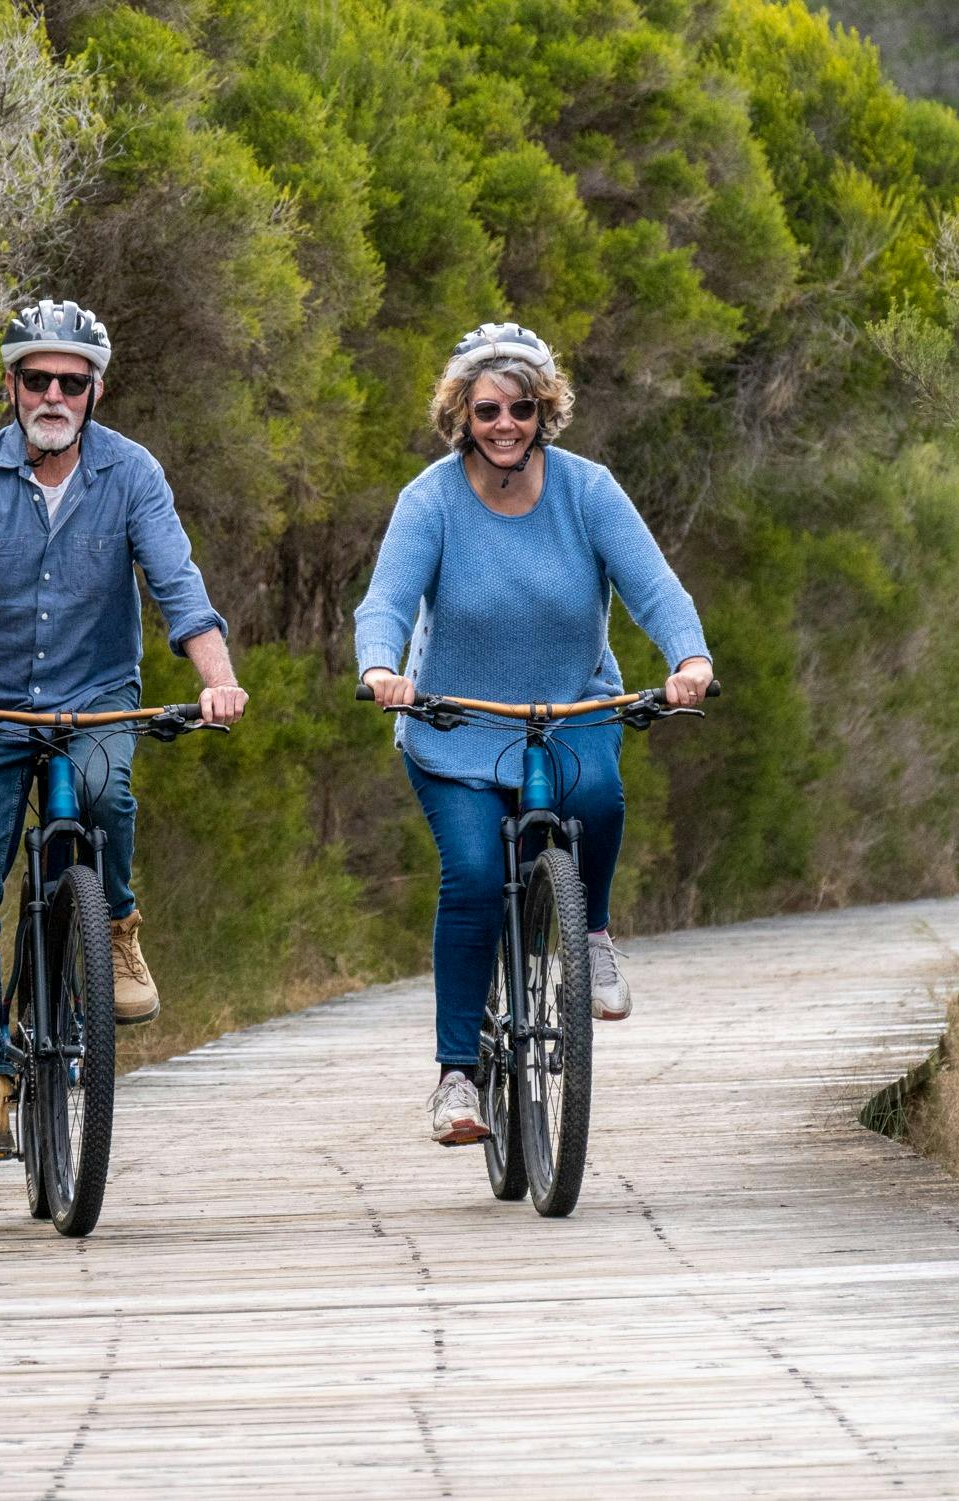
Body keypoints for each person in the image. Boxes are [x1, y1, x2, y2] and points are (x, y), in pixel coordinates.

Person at [0, 299, 248, 1165]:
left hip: (94, 699)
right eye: (36, 379)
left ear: (95, 391)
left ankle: (114, 926)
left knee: (105, 790)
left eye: (70, 382)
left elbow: (179, 590)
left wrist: (218, 682)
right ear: (11, 386)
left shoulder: (132, 475)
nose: (53, 395)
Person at [353, 322, 714, 1146]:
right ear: (462, 414)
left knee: (599, 795)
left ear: (544, 410)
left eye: (522, 407)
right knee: (476, 876)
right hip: (453, 721)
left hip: (569, 709)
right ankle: (456, 1077)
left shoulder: (587, 491)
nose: (505, 423)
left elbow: (655, 587)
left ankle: (590, 935)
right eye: (487, 409)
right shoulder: (431, 500)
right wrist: (381, 668)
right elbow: (387, 601)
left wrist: (687, 656)